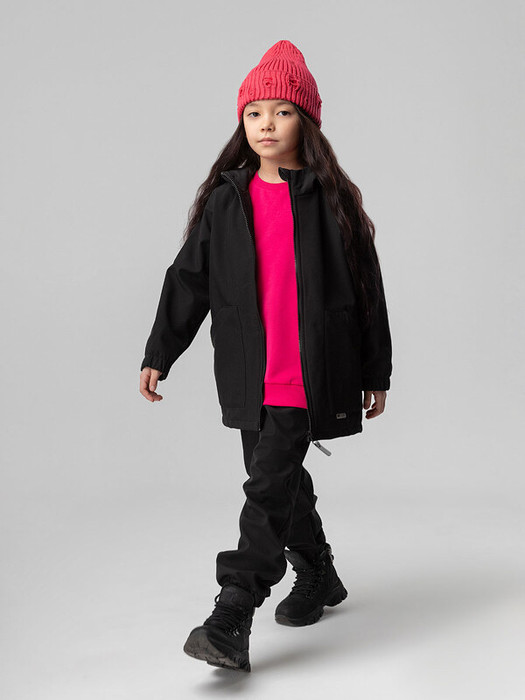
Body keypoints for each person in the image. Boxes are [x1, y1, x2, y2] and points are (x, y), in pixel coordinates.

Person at [139, 39, 393, 673]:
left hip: (311, 370)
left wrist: (374, 369)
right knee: (277, 481)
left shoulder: (333, 201)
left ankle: (232, 613)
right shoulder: (227, 200)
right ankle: (319, 571)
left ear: (306, 121)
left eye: (281, 112)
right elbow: (190, 279)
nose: (266, 125)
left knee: (266, 487)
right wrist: (161, 350)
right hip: (250, 371)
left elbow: (367, 289)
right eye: (254, 113)